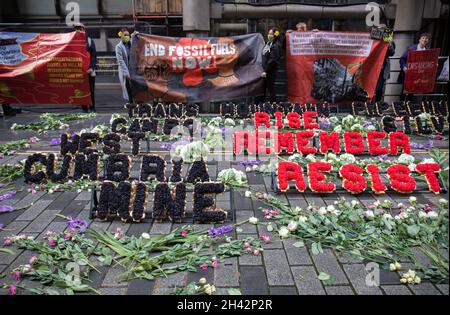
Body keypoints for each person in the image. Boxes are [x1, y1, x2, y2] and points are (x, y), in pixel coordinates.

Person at [398, 32, 431, 101]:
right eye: (423, 38)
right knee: (404, 90)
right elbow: (402, 59)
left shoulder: (428, 51)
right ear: (419, 39)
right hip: (408, 73)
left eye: (426, 39)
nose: (424, 40)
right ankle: (400, 106)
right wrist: (404, 68)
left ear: (428, 41)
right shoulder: (412, 48)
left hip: (418, 74)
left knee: (412, 92)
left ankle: (408, 107)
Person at [74, 22, 97, 112]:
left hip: (89, 70)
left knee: (91, 90)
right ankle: (84, 108)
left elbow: (94, 56)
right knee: (81, 89)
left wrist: (91, 68)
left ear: (83, 29)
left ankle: (92, 107)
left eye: (80, 28)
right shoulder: (73, 41)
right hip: (79, 71)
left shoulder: (90, 41)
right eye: (76, 29)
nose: (78, 30)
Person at [260, 27, 282, 103]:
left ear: (275, 35)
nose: (269, 35)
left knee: (270, 89)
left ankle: (273, 105)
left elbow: (273, 59)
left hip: (270, 71)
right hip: (265, 70)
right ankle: (262, 105)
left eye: (271, 34)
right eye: (268, 33)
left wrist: (265, 71)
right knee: (264, 89)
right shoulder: (269, 43)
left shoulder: (276, 45)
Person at [375, 33, 396, 103]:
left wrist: (389, 44)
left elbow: (392, 53)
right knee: (371, 88)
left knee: (378, 88)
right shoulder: (374, 39)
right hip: (373, 69)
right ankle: (369, 105)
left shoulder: (389, 41)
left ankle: (377, 104)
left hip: (383, 69)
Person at [115, 28, 133, 103]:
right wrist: (126, 73)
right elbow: (121, 61)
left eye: (128, 35)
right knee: (127, 87)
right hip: (124, 69)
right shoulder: (118, 47)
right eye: (125, 35)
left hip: (131, 68)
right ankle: (130, 103)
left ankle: (135, 103)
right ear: (121, 36)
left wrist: (135, 34)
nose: (127, 36)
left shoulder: (130, 43)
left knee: (134, 87)